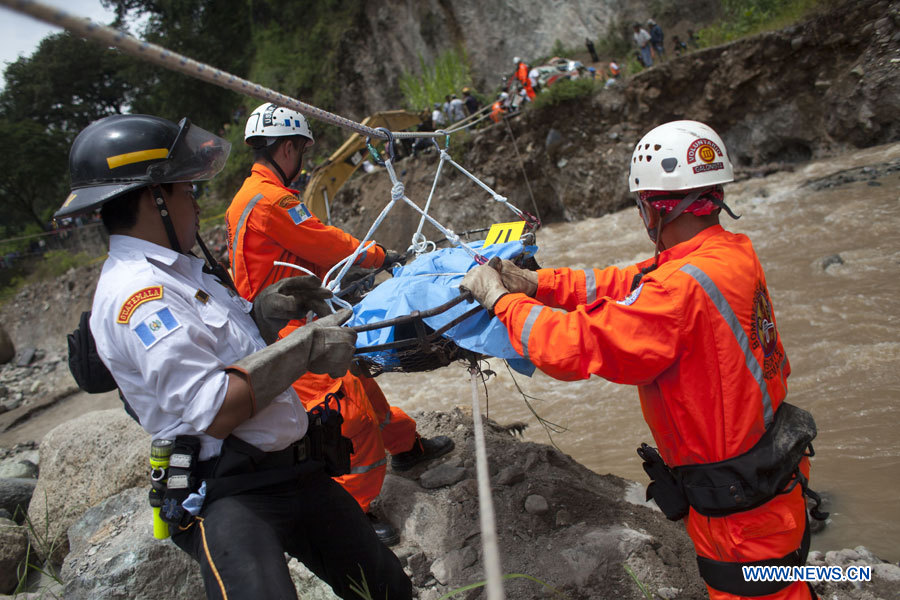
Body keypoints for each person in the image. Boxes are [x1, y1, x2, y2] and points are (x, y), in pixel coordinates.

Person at [460, 120, 825, 600]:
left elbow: (569, 346)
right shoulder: (727, 252)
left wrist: (502, 302)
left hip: (738, 509)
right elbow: (625, 282)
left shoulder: (680, 289)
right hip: (769, 477)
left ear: (655, 206)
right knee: (784, 580)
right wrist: (539, 284)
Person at [60, 114, 412, 599]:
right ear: (153, 197)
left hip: (292, 470)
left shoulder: (182, 272)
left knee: (387, 589)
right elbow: (215, 406)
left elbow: (226, 348)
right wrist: (303, 348)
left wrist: (264, 315)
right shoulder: (141, 295)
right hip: (226, 493)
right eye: (187, 191)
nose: (195, 204)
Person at [227, 103, 454, 546]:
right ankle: (355, 508)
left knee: (362, 385)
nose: (305, 162)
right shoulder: (272, 200)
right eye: (303, 152)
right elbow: (322, 241)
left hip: (292, 313)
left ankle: (407, 446)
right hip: (286, 329)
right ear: (288, 148)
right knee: (346, 410)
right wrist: (381, 256)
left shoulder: (249, 195)